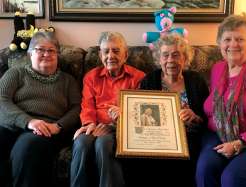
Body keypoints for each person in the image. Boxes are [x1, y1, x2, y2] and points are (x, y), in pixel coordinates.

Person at [195, 13, 246, 187]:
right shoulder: (218, 69)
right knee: (205, 169)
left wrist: (240, 143)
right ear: (220, 43)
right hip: (219, 136)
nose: (233, 44)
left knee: (233, 178)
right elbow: (214, 110)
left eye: (240, 39)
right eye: (227, 39)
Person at [0, 32, 81, 187]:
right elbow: (1, 99)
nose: (46, 54)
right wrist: (28, 121)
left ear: (57, 55)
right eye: (40, 49)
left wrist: (58, 126)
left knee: (27, 146)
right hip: (13, 124)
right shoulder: (16, 73)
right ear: (30, 54)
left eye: (51, 50)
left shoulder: (68, 81)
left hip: (46, 130)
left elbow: (76, 108)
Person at [70, 31, 145, 187]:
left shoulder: (138, 78)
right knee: (81, 143)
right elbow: (87, 104)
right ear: (100, 55)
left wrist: (119, 119)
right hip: (95, 126)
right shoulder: (91, 77)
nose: (110, 56)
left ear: (126, 54)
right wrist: (88, 124)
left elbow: (141, 110)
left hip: (122, 129)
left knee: (103, 144)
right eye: (106, 51)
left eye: (116, 51)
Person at [136, 33, 209, 186]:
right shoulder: (149, 81)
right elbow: (141, 118)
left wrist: (195, 117)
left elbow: (208, 117)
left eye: (176, 55)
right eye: (165, 55)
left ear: (184, 58)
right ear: (159, 59)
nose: (170, 60)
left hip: (190, 138)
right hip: (158, 140)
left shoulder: (196, 81)